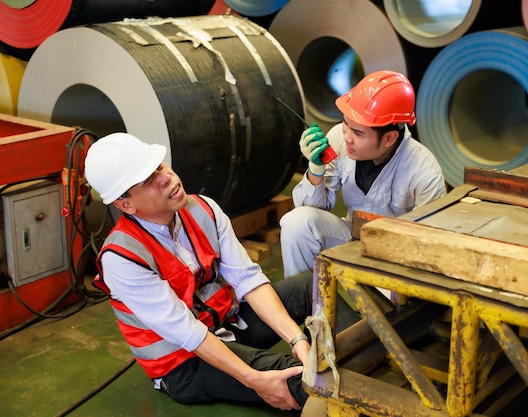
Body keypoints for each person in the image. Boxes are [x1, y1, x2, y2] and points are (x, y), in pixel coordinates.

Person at [84, 132, 358, 411]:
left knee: (309, 287)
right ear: (126, 204)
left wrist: (297, 338)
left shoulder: (203, 209)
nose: (166, 177)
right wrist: (256, 381)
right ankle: (358, 392)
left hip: (228, 325)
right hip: (186, 362)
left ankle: (363, 355)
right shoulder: (122, 259)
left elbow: (248, 280)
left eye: (160, 167)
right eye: (148, 181)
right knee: (293, 375)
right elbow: (189, 334)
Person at [280, 70, 447, 278]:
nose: (347, 137)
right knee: (296, 222)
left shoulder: (424, 171)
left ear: (389, 138)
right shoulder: (339, 139)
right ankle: (301, 302)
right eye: (345, 123)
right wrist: (316, 170)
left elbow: (429, 245)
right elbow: (314, 209)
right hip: (350, 235)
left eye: (358, 133)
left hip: (396, 256)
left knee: (388, 307)